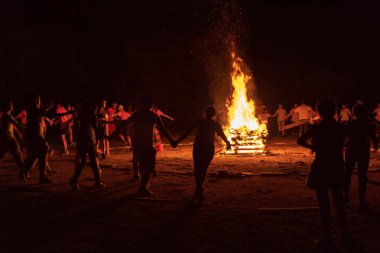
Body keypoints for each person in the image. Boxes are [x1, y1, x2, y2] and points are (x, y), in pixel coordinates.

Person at [297, 98, 350, 248]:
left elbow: (300, 140)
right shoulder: (340, 128)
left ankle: (328, 237)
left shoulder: (318, 127)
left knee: (324, 204)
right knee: (338, 202)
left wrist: (315, 148)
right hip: (337, 165)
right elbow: (349, 139)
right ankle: (345, 235)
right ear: (334, 110)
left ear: (319, 112)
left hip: (321, 165)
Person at [113, 97, 175, 196]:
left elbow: (124, 124)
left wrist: (113, 135)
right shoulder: (153, 115)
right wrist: (172, 141)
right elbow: (163, 129)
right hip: (146, 144)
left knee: (142, 165)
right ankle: (143, 187)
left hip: (137, 144)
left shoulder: (137, 114)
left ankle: (143, 186)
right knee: (150, 167)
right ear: (151, 105)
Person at [174, 106, 231, 204]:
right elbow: (222, 134)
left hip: (199, 147)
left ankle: (198, 187)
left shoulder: (199, 122)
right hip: (208, 148)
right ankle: (199, 188)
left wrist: (177, 141)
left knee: (197, 168)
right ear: (214, 115)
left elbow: (187, 132)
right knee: (203, 168)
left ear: (205, 113)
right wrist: (228, 143)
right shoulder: (215, 124)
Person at [22, 95, 72, 184]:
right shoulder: (34, 109)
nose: (40, 100)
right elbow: (48, 114)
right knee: (44, 149)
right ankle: (42, 176)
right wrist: (66, 113)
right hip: (35, 135)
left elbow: (44, 112)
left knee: (35, 155)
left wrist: (48, 107)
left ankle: (25, 172)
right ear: (37, 100)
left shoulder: (33, 108)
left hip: (33, 135)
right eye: (39, 99)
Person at [343, 104, 378, 210]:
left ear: (354, 113)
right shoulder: (369, 124)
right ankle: (361, 202)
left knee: (347, 173)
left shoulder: (350, 124)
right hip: (363, 150)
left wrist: (344, 145)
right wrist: (375, 146)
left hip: (351, 149)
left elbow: (344, 137)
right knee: (362, 177)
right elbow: (374, 139)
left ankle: (345, 196)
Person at [70, 102, 105, 190]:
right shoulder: (92, 116)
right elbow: (96, 129)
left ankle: (74, 180)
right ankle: (98, 182)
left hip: (81, 140)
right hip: (88, 140)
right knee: (93, 161)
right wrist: (105, 136)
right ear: (93, 108)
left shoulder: (83, 115)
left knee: (83, 161)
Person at [0, 101, 25, 173]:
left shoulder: (6, 115)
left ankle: (23, 169)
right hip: (9, 138)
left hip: (5, 138)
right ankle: (23, 170)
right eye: (11, 105)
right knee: (18, 152)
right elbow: (15, 123)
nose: (13, 106)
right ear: (7, 107)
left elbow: (11, 125)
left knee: (2, 155)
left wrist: (18, 132)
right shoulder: (7, 115)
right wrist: (26, 129)